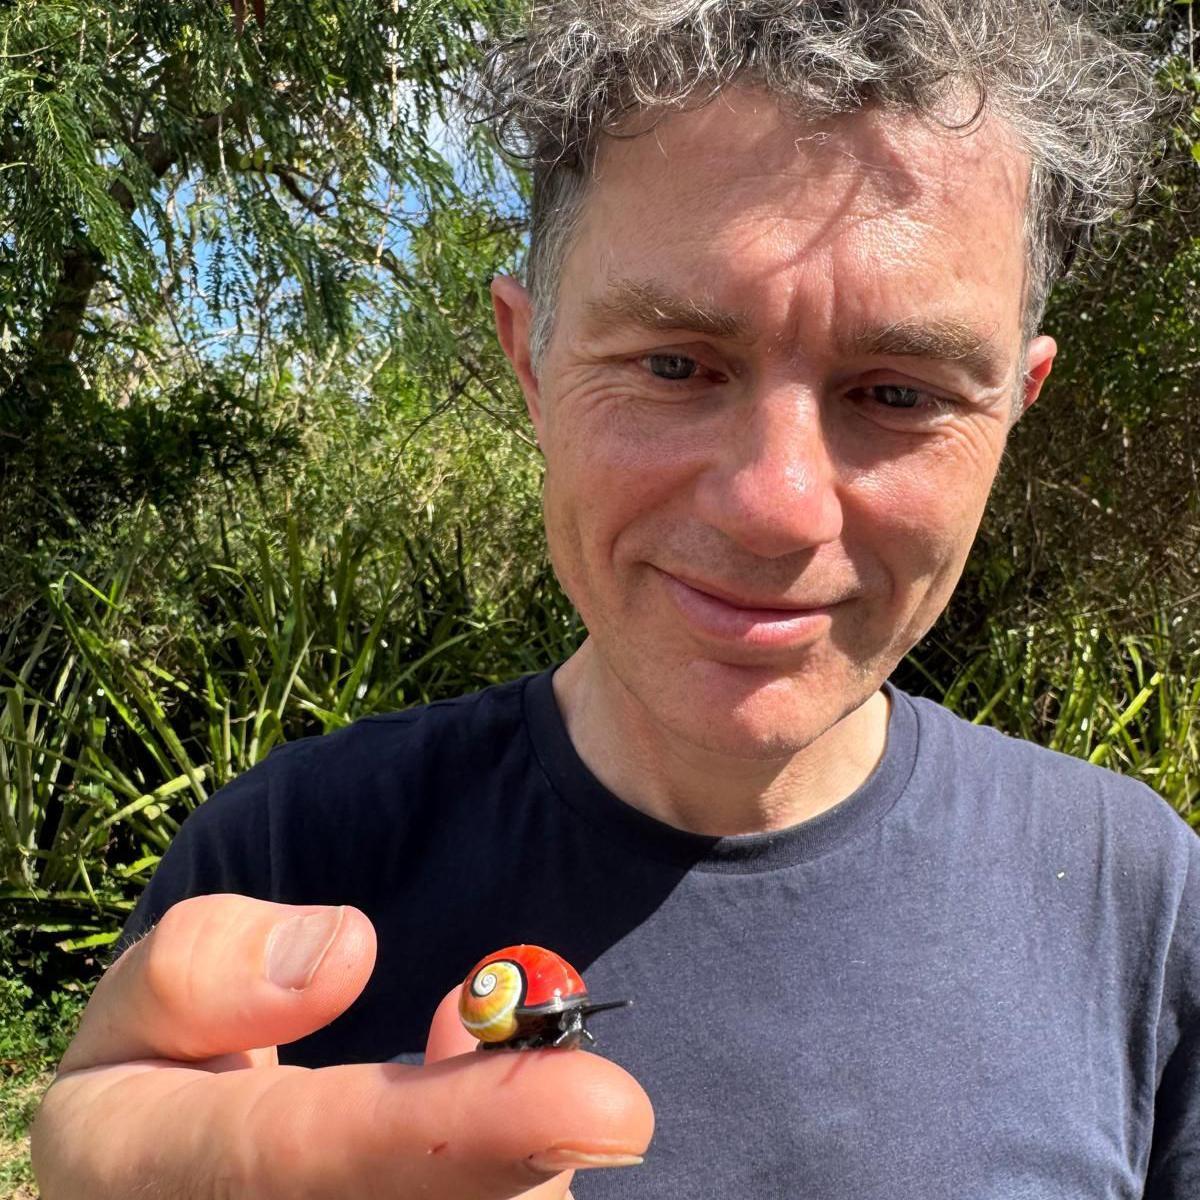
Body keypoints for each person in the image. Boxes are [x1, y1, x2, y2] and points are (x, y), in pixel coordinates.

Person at [32, 2, 1199, 1197]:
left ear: (1016, 405)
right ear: (530, 363)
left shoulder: (1141, 908)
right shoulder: (287, 868)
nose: (776, 505)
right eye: (675, 365)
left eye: (899, 395)